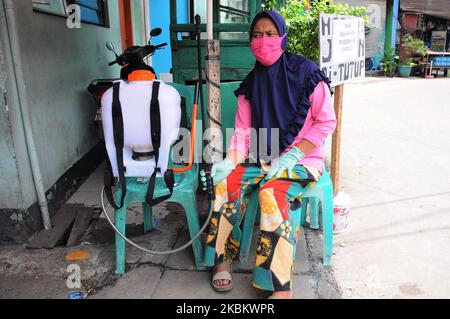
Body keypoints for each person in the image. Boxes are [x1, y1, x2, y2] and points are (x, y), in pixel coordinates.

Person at [200, 10, 337, 299]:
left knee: (271, 196)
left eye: (270, 34)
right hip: (261, 155)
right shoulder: (251, 85)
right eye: (257, 35)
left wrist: (291, 156)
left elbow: (327, 121)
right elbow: (242, 136)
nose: (263, 40)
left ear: (283, 37)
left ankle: (280, 286)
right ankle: (221, 259)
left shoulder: (306, 73)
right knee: (225, 184)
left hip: (302, 160)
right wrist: (228, 162)